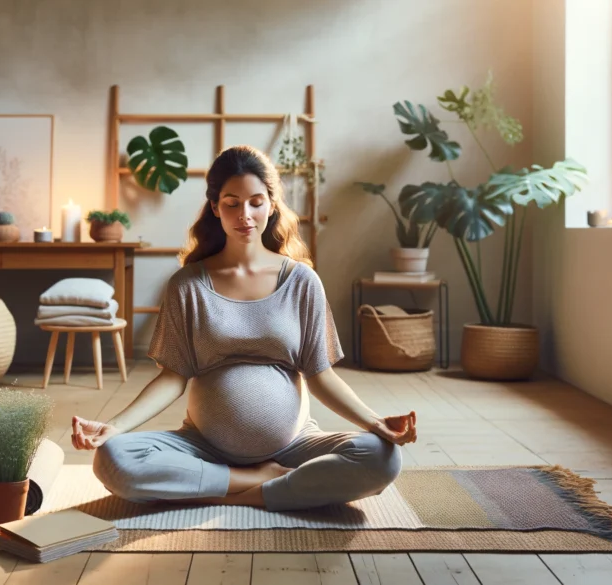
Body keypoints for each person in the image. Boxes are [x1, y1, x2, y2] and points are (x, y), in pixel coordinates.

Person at [70, 145, 417, 512]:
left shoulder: (301, 281)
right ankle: (266, 482)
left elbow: (320, 376)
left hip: (295, 445)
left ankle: (227, 493)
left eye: (255, 201)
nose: (245, 215)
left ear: (272, 204)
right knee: (114, 459)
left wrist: (376, 423)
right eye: (232, 203)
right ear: (215, 207)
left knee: (383, 458)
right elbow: (173, 377)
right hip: (204, 447)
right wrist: (115, 426)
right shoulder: (187, 285)